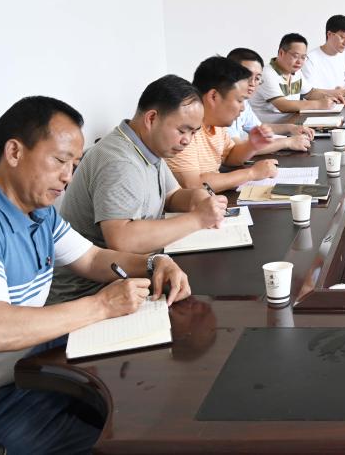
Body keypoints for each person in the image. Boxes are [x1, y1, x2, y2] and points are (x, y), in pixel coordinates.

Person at [0, 97, 191, 454]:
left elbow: (91, 258)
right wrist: (102, 305)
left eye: (74, 164)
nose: (68, 177)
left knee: (142, 403)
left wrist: (154, 263)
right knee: (127, 437)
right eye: (60, 161)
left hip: (23, 372)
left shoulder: (36, 212)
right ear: (14, 152)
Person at [48, 75, 229, 304]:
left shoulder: (148, 147)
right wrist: (197, 219)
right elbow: (123, 240)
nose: (187, 141)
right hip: (88, 292)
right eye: (183, 131)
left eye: (193, 133)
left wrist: (199, 199)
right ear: (152, 118)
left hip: (126, 274)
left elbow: (172, 196)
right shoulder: (120, 161)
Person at [166, 56, 278, 191]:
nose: (243, 108)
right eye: (239, 100)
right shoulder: (185, 128)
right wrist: (252, 173)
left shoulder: (215, 124)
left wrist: (252, 145)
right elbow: (194, 185)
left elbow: (229, 156)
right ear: (214, 96)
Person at [225, 47, 314, 155]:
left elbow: (258, 129)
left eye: (257, 78)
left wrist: (291, 128)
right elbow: (236, 149)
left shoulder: (244, 102)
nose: (252, 83)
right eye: (246, 76)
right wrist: (287, 142)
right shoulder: (222, 105)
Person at [249, 33, 345, 123]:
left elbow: (310, 93)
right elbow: (283, 105)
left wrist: (331, 98)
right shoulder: (266, 74)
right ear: (281, 53)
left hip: (293, 122)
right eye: (295, 56)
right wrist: (319, 104)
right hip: (271, 129)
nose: (299, 62)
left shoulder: (296, 72)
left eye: (303, 57)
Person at [301, 14, 345, 99]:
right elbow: (309, 93)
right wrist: (340, 92)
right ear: (329, 34)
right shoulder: (310, 59)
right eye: (342, 37)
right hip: (322, 106)